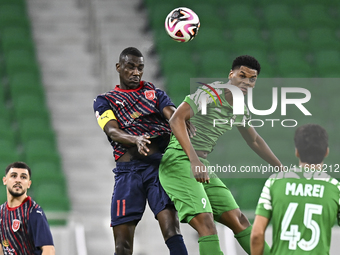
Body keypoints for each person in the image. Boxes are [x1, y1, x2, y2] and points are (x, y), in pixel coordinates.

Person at [159, 55, 282, 255]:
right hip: (179, 162)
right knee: (206, 223)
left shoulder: (240, 107)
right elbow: (176, 120)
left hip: (201, 163)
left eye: (252, 79)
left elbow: (254, 140)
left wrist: (280, 168)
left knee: (239, 220)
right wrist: (194, 160)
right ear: (230, 74)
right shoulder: (209, 93)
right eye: (242, 75)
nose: (246, 82)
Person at [93, 47, 188, 255]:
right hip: (128, 172)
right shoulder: (105, 100)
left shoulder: (154, 93)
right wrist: (134, 139)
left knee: (172, 229)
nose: (136, 72)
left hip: (158, 169)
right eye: (130, 67)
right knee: (122, 246)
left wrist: (181, 119)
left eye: (140, 68)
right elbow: (112, 130)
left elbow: (171, 113)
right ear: (119, 67)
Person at [251, 124, 340, 255]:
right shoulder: (335, 188)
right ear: (326, 152)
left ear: (296, 151)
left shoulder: (275, 182)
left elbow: (257, 235)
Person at [0, 161, 55, 255]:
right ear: (5, 180)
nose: (18, 180)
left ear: (29, 184)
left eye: (23, 177)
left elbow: (49, 250)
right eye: (13, 176)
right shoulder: (1, 212)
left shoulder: (33, 212)